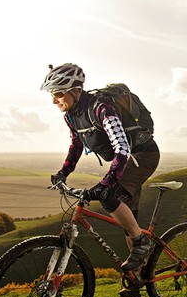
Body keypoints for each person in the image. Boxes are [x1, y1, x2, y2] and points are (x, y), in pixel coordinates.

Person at [40, 63, 160, 273]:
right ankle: (138, 278)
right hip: (126, 161)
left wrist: (107, 182)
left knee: (108, 196)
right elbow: (76, 145)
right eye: (52, 94)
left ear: (75, 90)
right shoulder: (71, 116)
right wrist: (63, 172)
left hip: (143, 156)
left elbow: (121, 146)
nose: (54, 100)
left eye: (58, 93)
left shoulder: (101, 108)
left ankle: (142, 243)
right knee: (128, 224)